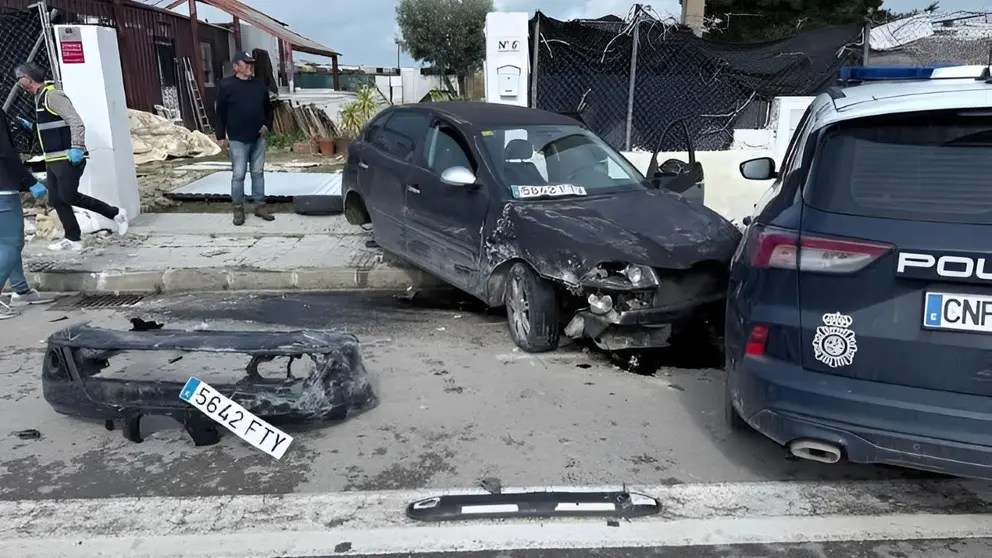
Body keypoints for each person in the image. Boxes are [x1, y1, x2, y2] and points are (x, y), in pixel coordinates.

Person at [14, 62, 128, 252]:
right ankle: (73, 238)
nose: (19, 84)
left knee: (69, 196)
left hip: (66, 157)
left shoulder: (53, 95)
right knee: (57, 200)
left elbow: (75, 122)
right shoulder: (40, 98)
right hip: (52, 160)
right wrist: (32, 128)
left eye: (20, 79)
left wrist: (77, 147)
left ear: (28, 78)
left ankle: (116, 213)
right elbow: (51, 128)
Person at [0, 106, 56, 319]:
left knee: (4, 241)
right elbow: (4, 152)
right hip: (2, 189)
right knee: (11, 243)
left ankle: (21, 290)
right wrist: (30, 181)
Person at [215, 50, 275, 226]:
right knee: (239, 174)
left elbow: (269, 109)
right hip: (237, 139)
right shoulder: (226, 86)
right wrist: (221, 136)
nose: (250, 67)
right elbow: (220, 113)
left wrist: (267, 126)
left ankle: (259, 206)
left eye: (251, 64)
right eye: (246, 63)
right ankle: (238, 209)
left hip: (258, 137)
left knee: (258, 173)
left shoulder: (259, 85)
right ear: (236, 67)